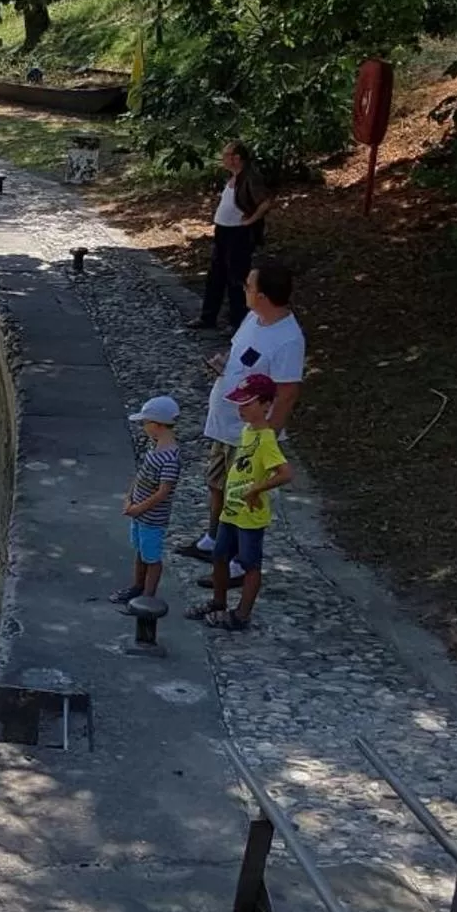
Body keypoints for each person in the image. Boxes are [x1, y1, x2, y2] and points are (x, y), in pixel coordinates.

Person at [182, 259, 304, 575]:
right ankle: (213, 539)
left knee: (242, 494)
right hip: (225, 419)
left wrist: (266, 438)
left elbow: (287, 393)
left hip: (249, 431)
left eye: (249, 286)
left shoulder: (288, 339)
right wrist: (225, 365)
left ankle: (237, 561)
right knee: (217, 482)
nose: (244, 289)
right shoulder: (254, 318)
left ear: (262, 296)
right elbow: (242, 356)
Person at [189, 375, 292, 630]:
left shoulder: (266, 439)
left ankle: (241, 614)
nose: (241, 409)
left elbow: (285, 473)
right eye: (240, 404)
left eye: (247, 404)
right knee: (220, 555)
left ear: (266, 405)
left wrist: (256, 489)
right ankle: (218, 602)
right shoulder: (247, 432)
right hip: (232, 509)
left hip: (250, 514)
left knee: (249, 563)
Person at [190, 141, 271, 331]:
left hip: (238, 233)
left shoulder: (250, 177)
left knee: (236, 277)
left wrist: (250, 221)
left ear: (236, 158)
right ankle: (208, 317)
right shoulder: (233, 177)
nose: (223, 159)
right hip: (224, 231)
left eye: (226, 155)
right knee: (216, 275)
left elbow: (266, 202)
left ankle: (237, 322)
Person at [111, 396, 182, 609]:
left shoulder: (170, 458)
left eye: (145, 423)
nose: (143, 427)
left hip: (152, 518)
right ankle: (137, 586)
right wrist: (129, 498)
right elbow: (141, 475)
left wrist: (138, 508)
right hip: (139, 512)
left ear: (157, 425)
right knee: (141, 551)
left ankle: (147, 598)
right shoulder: (155, 448)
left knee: (152, 557)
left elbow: (163, 492)